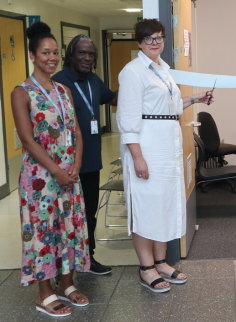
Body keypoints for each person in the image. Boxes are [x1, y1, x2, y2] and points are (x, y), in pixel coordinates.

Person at [117, 18, 213, 293]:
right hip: (146, 147)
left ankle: (161, 262)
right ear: (139, 42)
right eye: (149, 39)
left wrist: (195, 99)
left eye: (159, 37)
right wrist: (137, 156)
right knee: (146, 206)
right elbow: (128, 118)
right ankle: (146, 268)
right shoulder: (133, 72)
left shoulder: (163, 69)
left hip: (167, 147)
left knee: (163, 204)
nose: (155, 42)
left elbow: (168, 107)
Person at [11, 21, 89, 317]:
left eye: (56, 52)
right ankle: (44, 293)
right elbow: (28, 141)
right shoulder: (22, 92)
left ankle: (67, 284)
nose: (52, 57)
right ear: (32, 55)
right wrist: (56, 170)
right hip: (41, 178)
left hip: (70, 174)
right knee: (43, 232)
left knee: (69, 228)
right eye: (45, 52)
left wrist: (76, 164)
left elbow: (77, 132)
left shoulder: (64, 90)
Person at [53, 34, 117, 275]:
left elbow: (113, 99)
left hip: (90, 160)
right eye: (81, 53)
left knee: (89, 211)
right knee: (65, 213)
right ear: (70, 55)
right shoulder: (58, 81)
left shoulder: (93, 80)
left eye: (91, 54)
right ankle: (63, 264)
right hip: (65, 162)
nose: (87, 58)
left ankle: (87, 259)